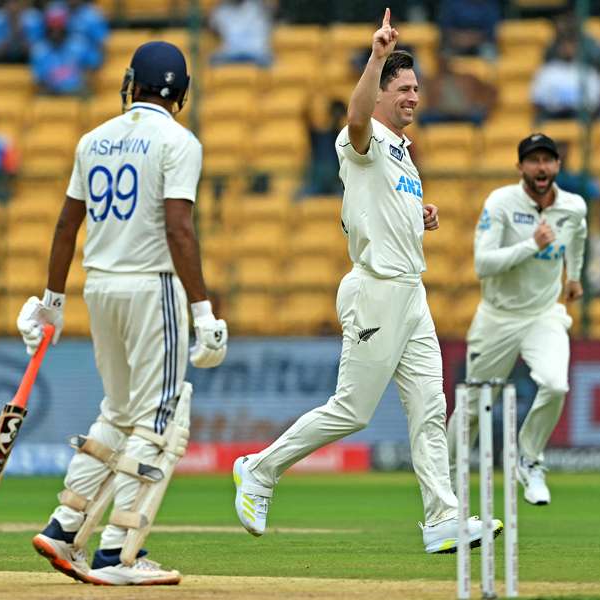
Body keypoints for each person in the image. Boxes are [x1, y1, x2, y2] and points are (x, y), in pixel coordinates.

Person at [232, 9, 500, 554]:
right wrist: (377, 55)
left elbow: (381, 205)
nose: (413, 97)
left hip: (411, 291)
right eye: (402, 88)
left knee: (430, 408)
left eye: (416, 89)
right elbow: (356, 119)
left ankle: (442, 518)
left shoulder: (401, 151)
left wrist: (416, 213)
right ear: (379, 93)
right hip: (376, 288)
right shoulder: (363, 136)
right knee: (352, 410)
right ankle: (258, 469)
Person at [17, 40, 228, 586]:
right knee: (158, 420)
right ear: (180, 93)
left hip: (100, 287)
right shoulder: (179, 142)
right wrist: (203, 311)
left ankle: (64, 525)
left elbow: (67, 225)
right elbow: (179, 228)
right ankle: (117, 553)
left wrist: (52, 303)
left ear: (131, 82)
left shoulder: (93, 140)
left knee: (118, 411)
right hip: (151, 286)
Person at [445, 133, 588, 507]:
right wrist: (532, 246)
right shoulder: (502, 203)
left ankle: (529, 459)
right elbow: (482, 263)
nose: (541, 167)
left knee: (555, 385)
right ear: (520, 167)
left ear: (557, 166)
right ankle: (444, 486)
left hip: (543, 314)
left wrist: (573, 276)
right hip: (497, 317)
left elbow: (578, 237)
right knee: (474, 406)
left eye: (547, 160)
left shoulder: (573, 207)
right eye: (533, 160)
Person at [30, 5, 100, 95]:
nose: (56, 32)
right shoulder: (39, 50)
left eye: (59, 27)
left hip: (78, 93)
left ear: (65, 27)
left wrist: (84, 81)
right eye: (52, 28)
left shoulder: (80, 44)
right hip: (51, 95)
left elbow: (92, 67)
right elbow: (39, 81)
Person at [531, 37, 600, 122]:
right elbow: (538, 100)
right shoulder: (547, 71)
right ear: (559, 48)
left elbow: (594, 102)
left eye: (572, 45)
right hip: (553, 115)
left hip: (578, 115)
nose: (568, 49)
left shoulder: (588, 71)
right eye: (565, 46)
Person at [419, 53, 497, 126]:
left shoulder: (467, 78)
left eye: (445, 62)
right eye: (441, 62)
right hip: (443, 114)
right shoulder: (433, 81)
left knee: (478, 116)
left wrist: (485, 105)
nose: (443, 64)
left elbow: (492, 90)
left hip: (465, 113)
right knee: (423, 118)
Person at [209, 0, 273, 66]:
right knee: (213, 61)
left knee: (267, 62)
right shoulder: (222, 10)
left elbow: (272, 11)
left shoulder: (259, 7)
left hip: (257, 53)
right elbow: (212, 26)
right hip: (231, 53)